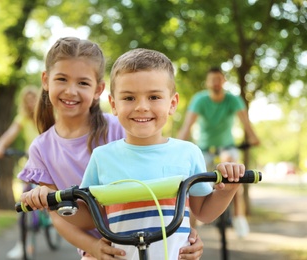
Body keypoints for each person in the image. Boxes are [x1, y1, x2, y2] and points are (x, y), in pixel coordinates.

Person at [19, 37, 204, 260]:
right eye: (62, 79)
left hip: (154, 234)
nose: (71, 91)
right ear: (46, 81)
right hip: (100, 245)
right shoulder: (42, 148)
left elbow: (166, 174)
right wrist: (93, 247)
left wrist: (187, 234)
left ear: (98, 89)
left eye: (83, 83)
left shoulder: (123, 125)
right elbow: (60, 216)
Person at [58, 48, 246, 260]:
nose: (141, 107)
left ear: (172, 104)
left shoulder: (188, 152)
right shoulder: (102, 157)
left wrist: (227, 191)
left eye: (154, 97)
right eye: (128, 98)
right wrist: (52, 202)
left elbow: (203, 212)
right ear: (113, 105)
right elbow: (89, 217)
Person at [177, 67, 260, 238]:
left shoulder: (232, 100)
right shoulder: (200, 100)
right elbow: (187, 126)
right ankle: (190, 231)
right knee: (194, 183)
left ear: (224, 81)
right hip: (205, 148)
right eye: (212, 79)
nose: (215, 83)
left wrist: (253, 137)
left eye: (219, 79)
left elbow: (245, 121)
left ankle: (239, 216)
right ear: (207, 83)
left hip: (226, 146)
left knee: (234, 171)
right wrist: (178, 145)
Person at [0, 86, 39, 259]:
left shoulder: (48, 115)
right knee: (24, 202)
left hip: (48, 162)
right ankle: (22, 244)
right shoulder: (23, 119)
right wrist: (0, 146)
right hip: (31, 163)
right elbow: (11, 133)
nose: (31, 104)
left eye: (33, 99)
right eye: (27, 101)